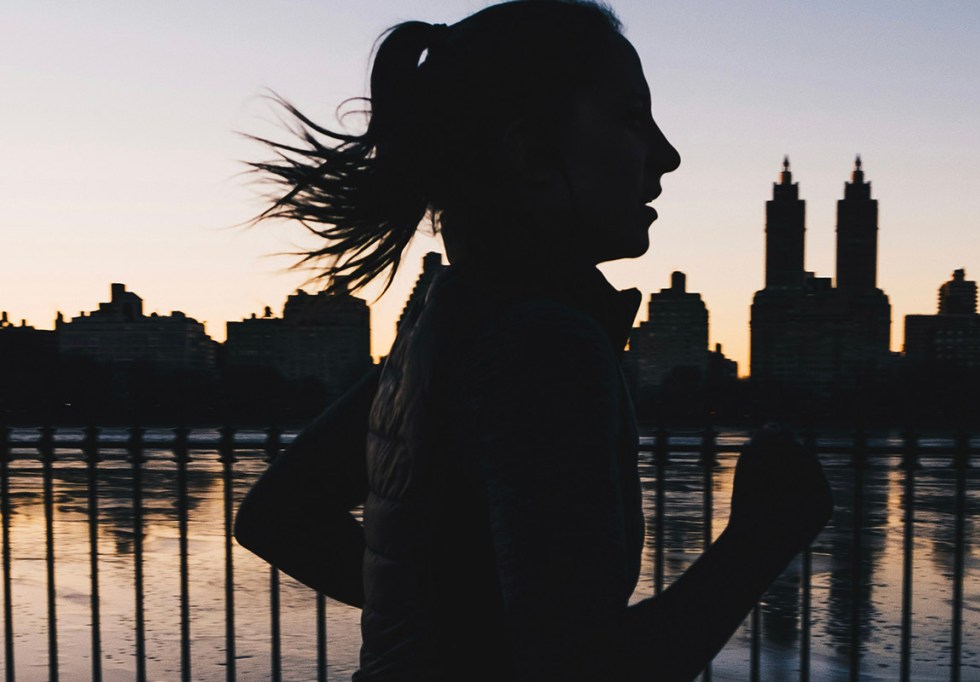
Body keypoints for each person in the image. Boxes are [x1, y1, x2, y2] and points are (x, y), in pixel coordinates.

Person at [234, 2, 833, 680]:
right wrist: (764, 536)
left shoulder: (446, 326)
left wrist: (452, 626)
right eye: (632, 119)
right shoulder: (545, 346)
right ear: (532, 157)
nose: (665, 156)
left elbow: (279, 515)